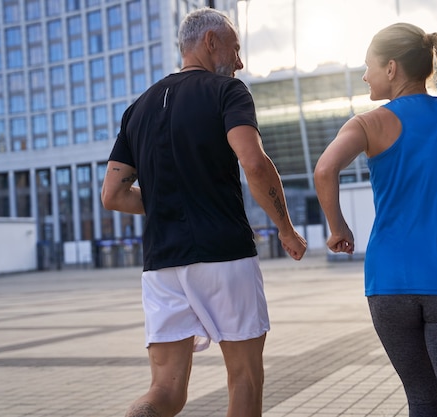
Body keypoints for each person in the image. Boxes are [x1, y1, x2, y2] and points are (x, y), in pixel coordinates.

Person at [101, 7, 307, 417]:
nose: (240, 61)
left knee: (164, 391)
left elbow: (113, 195)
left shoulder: (136, 110)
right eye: (236, 48)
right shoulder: (226, 91)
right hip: (224, 253)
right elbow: (253, 162)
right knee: (244, 378)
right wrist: (285, 227)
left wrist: (165, 204)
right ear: (211, 42)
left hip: (161, 265)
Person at [314, 23, 437, 417]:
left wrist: (338, 228)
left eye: (367, 66)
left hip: (388, 286)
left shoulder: (367, 124)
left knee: (423, 402)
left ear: (391, 69)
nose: (364, 75)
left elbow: (324, 170)